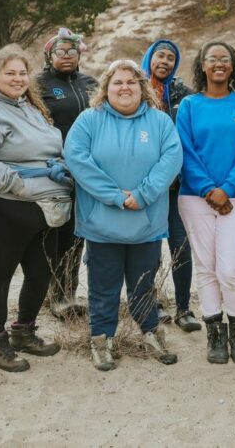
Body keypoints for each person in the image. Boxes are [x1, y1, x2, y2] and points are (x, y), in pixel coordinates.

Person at [64, 59, 184, 371]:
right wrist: (115, 197)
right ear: (106, 89)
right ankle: (101, 340)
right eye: (117, 82)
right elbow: (77, 159)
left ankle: (150, 333)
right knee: (103, 287)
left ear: (143, 88)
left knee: (143, 285)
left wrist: (142, 195)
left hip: (145, 222)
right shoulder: (89, 120)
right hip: (102, 222)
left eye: (131, 82)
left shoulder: (159, 122)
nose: (125, 87)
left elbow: (172, 159)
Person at [0, 46, 69, 373]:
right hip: (3, 206)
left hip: (43, 206)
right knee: (0, 274)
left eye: (22, 73)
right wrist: (18, 185)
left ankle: (24, 331)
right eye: (10, 73)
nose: (18, 79)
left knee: (40, 272)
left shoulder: (30, 108)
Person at [176, 42, 235, 365]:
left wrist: (226, 189)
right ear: (203, 66)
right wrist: (209, 189)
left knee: (230, 269)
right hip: (195, 197)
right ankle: (215, 333)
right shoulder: (189, 106)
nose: (219, 64)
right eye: (212, 59)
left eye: (225, 59)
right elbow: (185, 152)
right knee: (206, 268)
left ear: (233, 65)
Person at [141, 39, 201, 333]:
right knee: (149, 248)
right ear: (149, 58)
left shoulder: (182, 93)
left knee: (181, 247)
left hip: (177, 185)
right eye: (159, 55)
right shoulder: (135, 88)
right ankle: (151, 302)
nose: (164, 61)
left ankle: (184, 307)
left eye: (170, 57)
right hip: (146, 185)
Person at [38, 27, 98, 320]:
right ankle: (51, 293)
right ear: (49, 55)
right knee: (55, 231)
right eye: (60, 52)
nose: (66, 56)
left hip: (86, 170)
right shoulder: (39, 83)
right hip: (53, 170)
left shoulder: (90, 83)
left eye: (72, 51)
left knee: (77, 234)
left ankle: (68, 293)